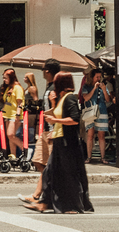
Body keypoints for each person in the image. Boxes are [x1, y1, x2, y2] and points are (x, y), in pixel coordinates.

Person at [27, 72, 93, 214]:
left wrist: (55, 120)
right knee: (50, 172)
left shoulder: (70, 98)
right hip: (59, 140)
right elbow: (57, 115)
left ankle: (72, 206)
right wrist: (52, 105)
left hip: (67, 143)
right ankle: (44, 203)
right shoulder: (62, 98)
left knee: (68, 175)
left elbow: (74, 119)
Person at [20, 59, 62, 205]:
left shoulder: (56, 87)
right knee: (38, 162)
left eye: (43, 69)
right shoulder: (49, 86)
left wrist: (55, 129)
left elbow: (58, 110)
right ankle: (43, 193)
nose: (42, 72)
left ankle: (39, 196)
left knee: (50, 166)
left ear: (47, 71)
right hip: (45, 130)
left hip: (52, 131)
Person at [78, 67, 111, 164]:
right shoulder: (86, 87)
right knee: (90, 135)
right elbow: (86, 98)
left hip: (102, 112)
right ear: (92, 77)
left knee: (101, 135)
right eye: (97, 77)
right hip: (90, 113)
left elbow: (108, 100)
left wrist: (104, 90)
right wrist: (94, 88)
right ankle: (89, 157)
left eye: (100, 77)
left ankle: (103, 157)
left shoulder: (103, 86)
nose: (98, 79)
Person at [0, 67, 24, 158]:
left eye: (6, 78)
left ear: (11, 78)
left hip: (14, 115)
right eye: (3, 78)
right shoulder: (8, 88)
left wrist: (18, 114)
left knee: (10, 135)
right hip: (7, 114)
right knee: (10, 136)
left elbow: (20, 102)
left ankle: (25, 149)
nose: (4, 80)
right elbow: (6, 101)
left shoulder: (17, 88)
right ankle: (13, 155)